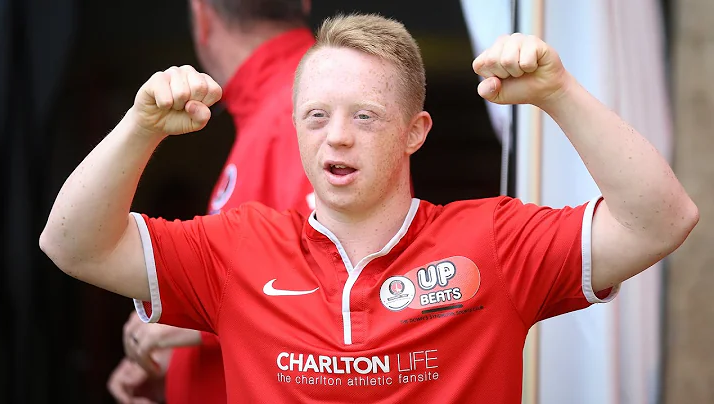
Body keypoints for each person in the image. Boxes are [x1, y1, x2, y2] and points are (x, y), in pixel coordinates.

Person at [40, 13, 698, 403]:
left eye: (366, 115)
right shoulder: (235, 248)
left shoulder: (493, 242)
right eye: (317, 116)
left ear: (416, 131)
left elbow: (661, 219)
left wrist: (559, 93)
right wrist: (141, 126)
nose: (338, 136)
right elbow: (72, 244)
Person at [105, 0, 315, 403]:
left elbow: (339, 286)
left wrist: (197, 317)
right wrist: (181, 359)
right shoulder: (285, 104)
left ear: (201, 15)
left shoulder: (306, 107)